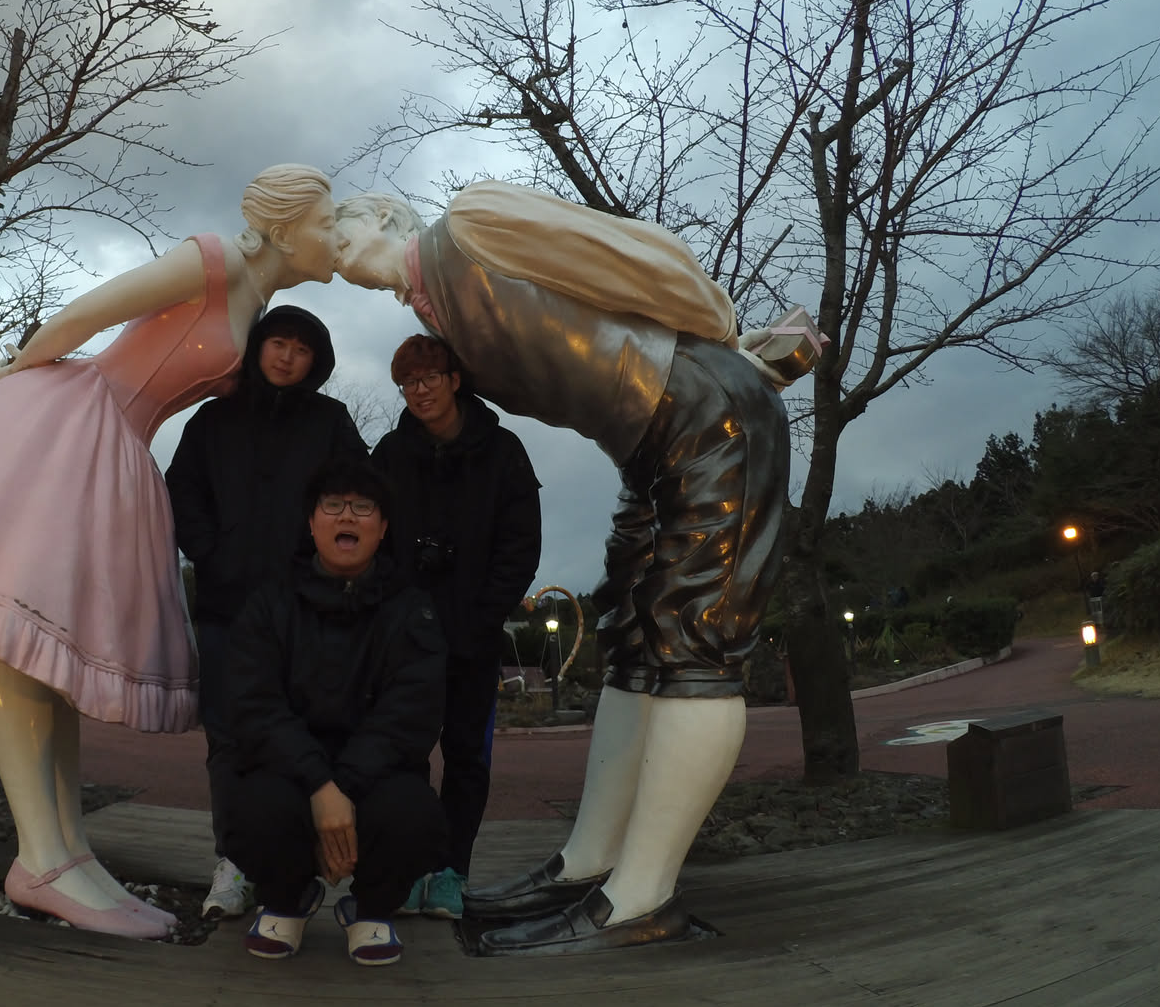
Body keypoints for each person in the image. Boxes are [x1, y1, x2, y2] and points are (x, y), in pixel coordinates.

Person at [0, 165, 345, 940]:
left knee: (49, 654)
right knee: (24, 638)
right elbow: (87, 314)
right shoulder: (215, 258)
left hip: (120, 446)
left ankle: (65, 851)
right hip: (76, 422)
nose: (336, 235)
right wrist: (14, 379)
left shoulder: (257, 303)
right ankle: (40, 858)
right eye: (328, 221)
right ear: (287, 226)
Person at [332, 180, 822, 954]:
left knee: (693, 638)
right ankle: (591, 863)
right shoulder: (436, 312)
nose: (333, 258)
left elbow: (636, 254)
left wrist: (723, 330)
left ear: (387, 216)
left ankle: (642, 895)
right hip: (647, 442)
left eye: (339, 234)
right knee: (631, 636)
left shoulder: (468, 227)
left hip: (708, 417)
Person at [166, 304, 368, 918]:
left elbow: (356, 497)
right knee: (228, 738)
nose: (287, 357)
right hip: (227, 607)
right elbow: (182, 491)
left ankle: (293, 867)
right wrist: (213, 553)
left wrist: (324, 570)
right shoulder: (215, 418)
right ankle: (233, 863)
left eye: (302, 350)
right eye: (278, 343)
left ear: (315, 362)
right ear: (257, 348)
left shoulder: (330, 422)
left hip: (308, 610)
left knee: (304, 734)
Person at [225, 458, 448, 966]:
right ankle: (286, 899)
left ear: (383, 527)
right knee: (252, 808)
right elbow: (254, 706)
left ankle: (371, 907)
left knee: (414, 815)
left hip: (376, 779)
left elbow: (410, 716)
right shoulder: (268, 605)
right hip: (290, 775)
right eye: (333, 505)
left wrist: (340, 789)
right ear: (311, 522)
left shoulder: (412, 610)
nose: (347, 516)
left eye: (363, 507)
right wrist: (319, 785)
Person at [370, 333, 540, 919]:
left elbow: (520, 546)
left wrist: (482, 615)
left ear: (454, 380)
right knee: (404, 756)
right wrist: (392, 610)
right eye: (407, 383)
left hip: (474, 635)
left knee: (467, 758)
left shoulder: (503, 451)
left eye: (428, 379)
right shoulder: (390, 454)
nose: (419, 391)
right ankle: (411, 864)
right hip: (406, 638)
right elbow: (372, 536)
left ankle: (451, 871)